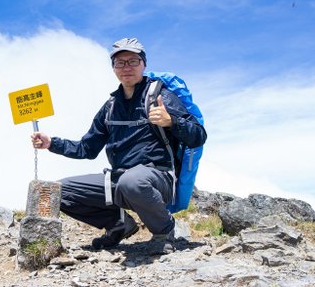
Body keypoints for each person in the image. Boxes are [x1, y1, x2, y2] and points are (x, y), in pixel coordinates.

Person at [32, 38, 207, 253]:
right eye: (120, 63)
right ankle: (119, 224)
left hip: (156, 178)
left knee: (132, 182)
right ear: (113, 68)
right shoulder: (111, 107)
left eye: (133, 61)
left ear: (144, 64)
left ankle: (164, 230)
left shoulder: (160, 97)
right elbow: (86, 149)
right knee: (59, 191)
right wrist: (52, 143)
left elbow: (198, 136)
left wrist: (172, 122)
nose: (127, 67)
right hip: (118, 179)